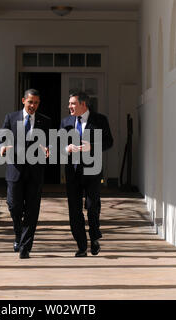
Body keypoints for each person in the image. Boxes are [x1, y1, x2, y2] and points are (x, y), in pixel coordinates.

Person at [0, 89, 51, 259]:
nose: (33, 106)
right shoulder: (11, 118)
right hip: (15, 171)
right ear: (23, 101)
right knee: (14, 206)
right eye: (30, 102)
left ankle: (25, 247)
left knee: (32, 210)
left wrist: (49, 148)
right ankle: (18, 235)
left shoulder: (45, 121)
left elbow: (52, 142)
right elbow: (1, 138)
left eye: (36, 103)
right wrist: (2, 147)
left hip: (35, 173)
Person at [60, 91, 113, 257]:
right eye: (69, 104)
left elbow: (109, 142)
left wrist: (93, 146)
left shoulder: (100, 120)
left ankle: (94, 237)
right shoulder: (66, 121)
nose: (69, 107)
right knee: (74, 210)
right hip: (73, 171)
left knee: (92, 207)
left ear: (83, 104)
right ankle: (81, 246)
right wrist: (66, 148)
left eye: (73, 103)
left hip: (93, 170)